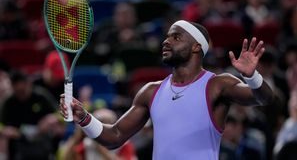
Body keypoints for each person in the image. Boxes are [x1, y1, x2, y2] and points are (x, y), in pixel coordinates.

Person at [60, 20, 275, 159]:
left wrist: (252, 76)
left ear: (196, 47)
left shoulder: (217, 85)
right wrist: (84, 118)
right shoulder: (150, 91)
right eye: (167, 36)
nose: (166, 41)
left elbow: (264, 98)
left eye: (176, 37)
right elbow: (115, 136)